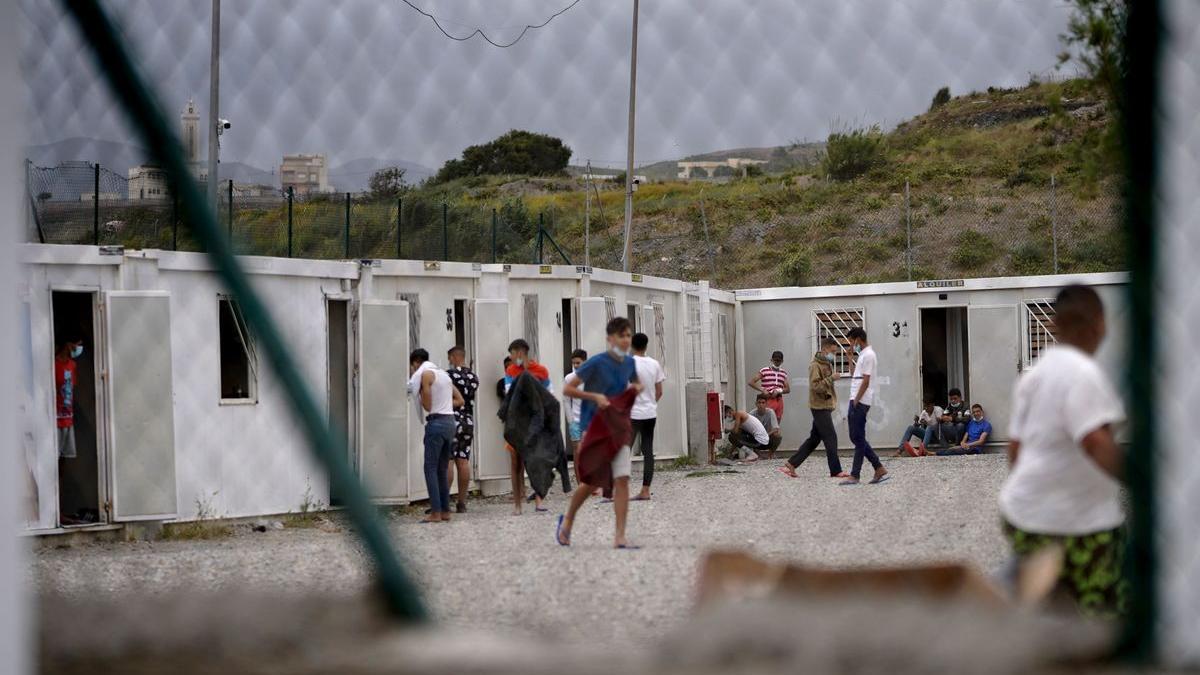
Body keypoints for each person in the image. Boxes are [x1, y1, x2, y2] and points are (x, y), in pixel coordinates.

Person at [999, 285, 1126, 617]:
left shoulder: (1034, 374)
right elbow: (1096, 443)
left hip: (1022, 514)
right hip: (1081, 526)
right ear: (1100, 324)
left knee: (1049, 606)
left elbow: (1015, 451)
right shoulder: (1084, 374)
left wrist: (1041, 493)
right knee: (1105, 610)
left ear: (1055, 325)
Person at [557, 317, 642, 548]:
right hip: (594, 427)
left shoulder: (629, 363)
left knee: (622, 478)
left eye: (628, 335)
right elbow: (567, 388)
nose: (626, 339)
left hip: (619, 427)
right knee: (590, 483)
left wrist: (636, 388)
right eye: (622, 335)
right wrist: (594, 396)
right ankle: (568, 521)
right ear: (610, 339)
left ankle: (619, 536)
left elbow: (636, 383)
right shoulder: (595, 362)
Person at [779, 338, 849, 478]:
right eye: (833, 351)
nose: (834, 355)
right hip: (819, 406)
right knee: (831, 437)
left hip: (824, 405)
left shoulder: (826, 363)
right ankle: (836, 470)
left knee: (814, 439)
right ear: (825, 349)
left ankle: (791, 464)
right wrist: (832, 379)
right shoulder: (815, 365)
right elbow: (815, 386)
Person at [408, 348, 464, 523]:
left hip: (436, 423)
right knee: (441, 468)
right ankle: (446, 510)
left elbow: (426, 405)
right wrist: (445, 403)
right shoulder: (444, 376)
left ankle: (436, 513)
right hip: (450, 423)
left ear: (416, 363)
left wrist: (420, 394)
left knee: (430, 468)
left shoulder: (425, 375)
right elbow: (460, 400)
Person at [504, 339, 556, 514]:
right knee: (515, 462)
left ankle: (539, 500)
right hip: (517, 423)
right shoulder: (510, 371)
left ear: (520, 352)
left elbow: (550, 394)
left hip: (537, 422)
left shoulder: (541, 371)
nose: (511, 358)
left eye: (512, 353)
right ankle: (517, 504)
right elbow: (509, 393)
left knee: (537, 461)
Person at [839, 328, 888, 485]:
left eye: (852, 341)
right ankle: (878, 467)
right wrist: (849, 358)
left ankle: (856, 474)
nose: (852, 345)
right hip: (856, 398)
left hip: (860, 400)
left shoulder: (869, 355)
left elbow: (866, 381)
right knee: (856, 436)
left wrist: (856, 400)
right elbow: (856, 376)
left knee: (857, 437)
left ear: (858, 339)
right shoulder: (862, 355)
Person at [630, 333, 666, 500]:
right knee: (648, 451)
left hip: (632, 413)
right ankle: (645, 490)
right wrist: (651, 403)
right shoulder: (654, 364)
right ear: (646, 345)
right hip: (650, 413)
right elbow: (659, 391)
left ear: (632, 345)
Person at [446, 345, 479, 513]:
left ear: (453, 357)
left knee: (449, 459)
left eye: (449, 358)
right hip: (468, 421)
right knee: (463, 460)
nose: (449, 361)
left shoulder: (448, 376)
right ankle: (462, 502)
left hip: (452, 418)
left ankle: (444, 502)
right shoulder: (474, 377)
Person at [55, 334, 83, 460]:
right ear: (67, 344)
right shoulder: (53, 364)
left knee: (65, 456)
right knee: (54, 454)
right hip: (54, 418)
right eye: (76, 344)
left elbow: (72, 386)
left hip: (68, 417)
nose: (78, 348)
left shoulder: (72, 365)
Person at [749, 350, 790, 422]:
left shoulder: (783, 373)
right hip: (768, 399)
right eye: (775, 360)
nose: (777, 363)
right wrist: (763, 390)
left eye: (779, 361)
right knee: (766, 421)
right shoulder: (765, 370)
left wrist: (778, 391)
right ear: (771, 360)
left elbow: (787, 389)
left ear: (782, 361)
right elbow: (751, 382)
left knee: (776, 423)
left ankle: (774, 432)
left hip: (778, 399)